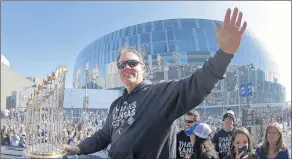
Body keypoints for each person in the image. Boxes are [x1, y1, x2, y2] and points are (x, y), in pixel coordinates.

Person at [64, 7, 247, 159]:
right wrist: (79, 148)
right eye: (122, 64)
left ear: (143, 68)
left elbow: (196, 84)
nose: (127, 67)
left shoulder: (159, 94)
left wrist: (225, 53)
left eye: (132, 63)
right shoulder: (116, 105)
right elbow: (104, 135)